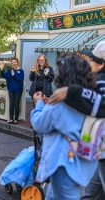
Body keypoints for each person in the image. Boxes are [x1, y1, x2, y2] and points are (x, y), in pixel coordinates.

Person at [31, 53, 98, 200]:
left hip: (63, 163)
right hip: (80, 159)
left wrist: (39, 104)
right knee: (52, 196)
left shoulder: (60, 104)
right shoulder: (88, 99)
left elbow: (39, 124)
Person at [49, 41, 105, 200]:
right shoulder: (96, 79)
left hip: (100, 144)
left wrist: (71, 91)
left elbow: (100, 105)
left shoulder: (101, 81)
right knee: (91, 193)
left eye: (92, 60)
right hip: (98, 148)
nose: (88, 63)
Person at [0, 58, 24, 124]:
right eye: (12, 62)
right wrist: (2, 69)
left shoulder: (21, 71)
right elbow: (4, 76)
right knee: (11, 104)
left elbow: (20, 80)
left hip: (18, 90)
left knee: (16, 104)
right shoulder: (10, 71)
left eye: (15, 62)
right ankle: (11, 118)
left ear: (17, 62)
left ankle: (16, 119)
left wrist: (13, 75)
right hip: (11, 89)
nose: (13, 64)